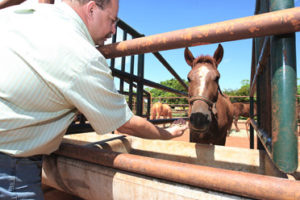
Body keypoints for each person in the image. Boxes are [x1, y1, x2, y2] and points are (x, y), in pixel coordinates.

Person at [0, 0, 188, 199]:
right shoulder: (83, 56)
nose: (114, 30)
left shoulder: (23, 12)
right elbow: (127, 125)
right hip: (10, 167)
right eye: (112, 21)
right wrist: (168, 133)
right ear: (91, 9)